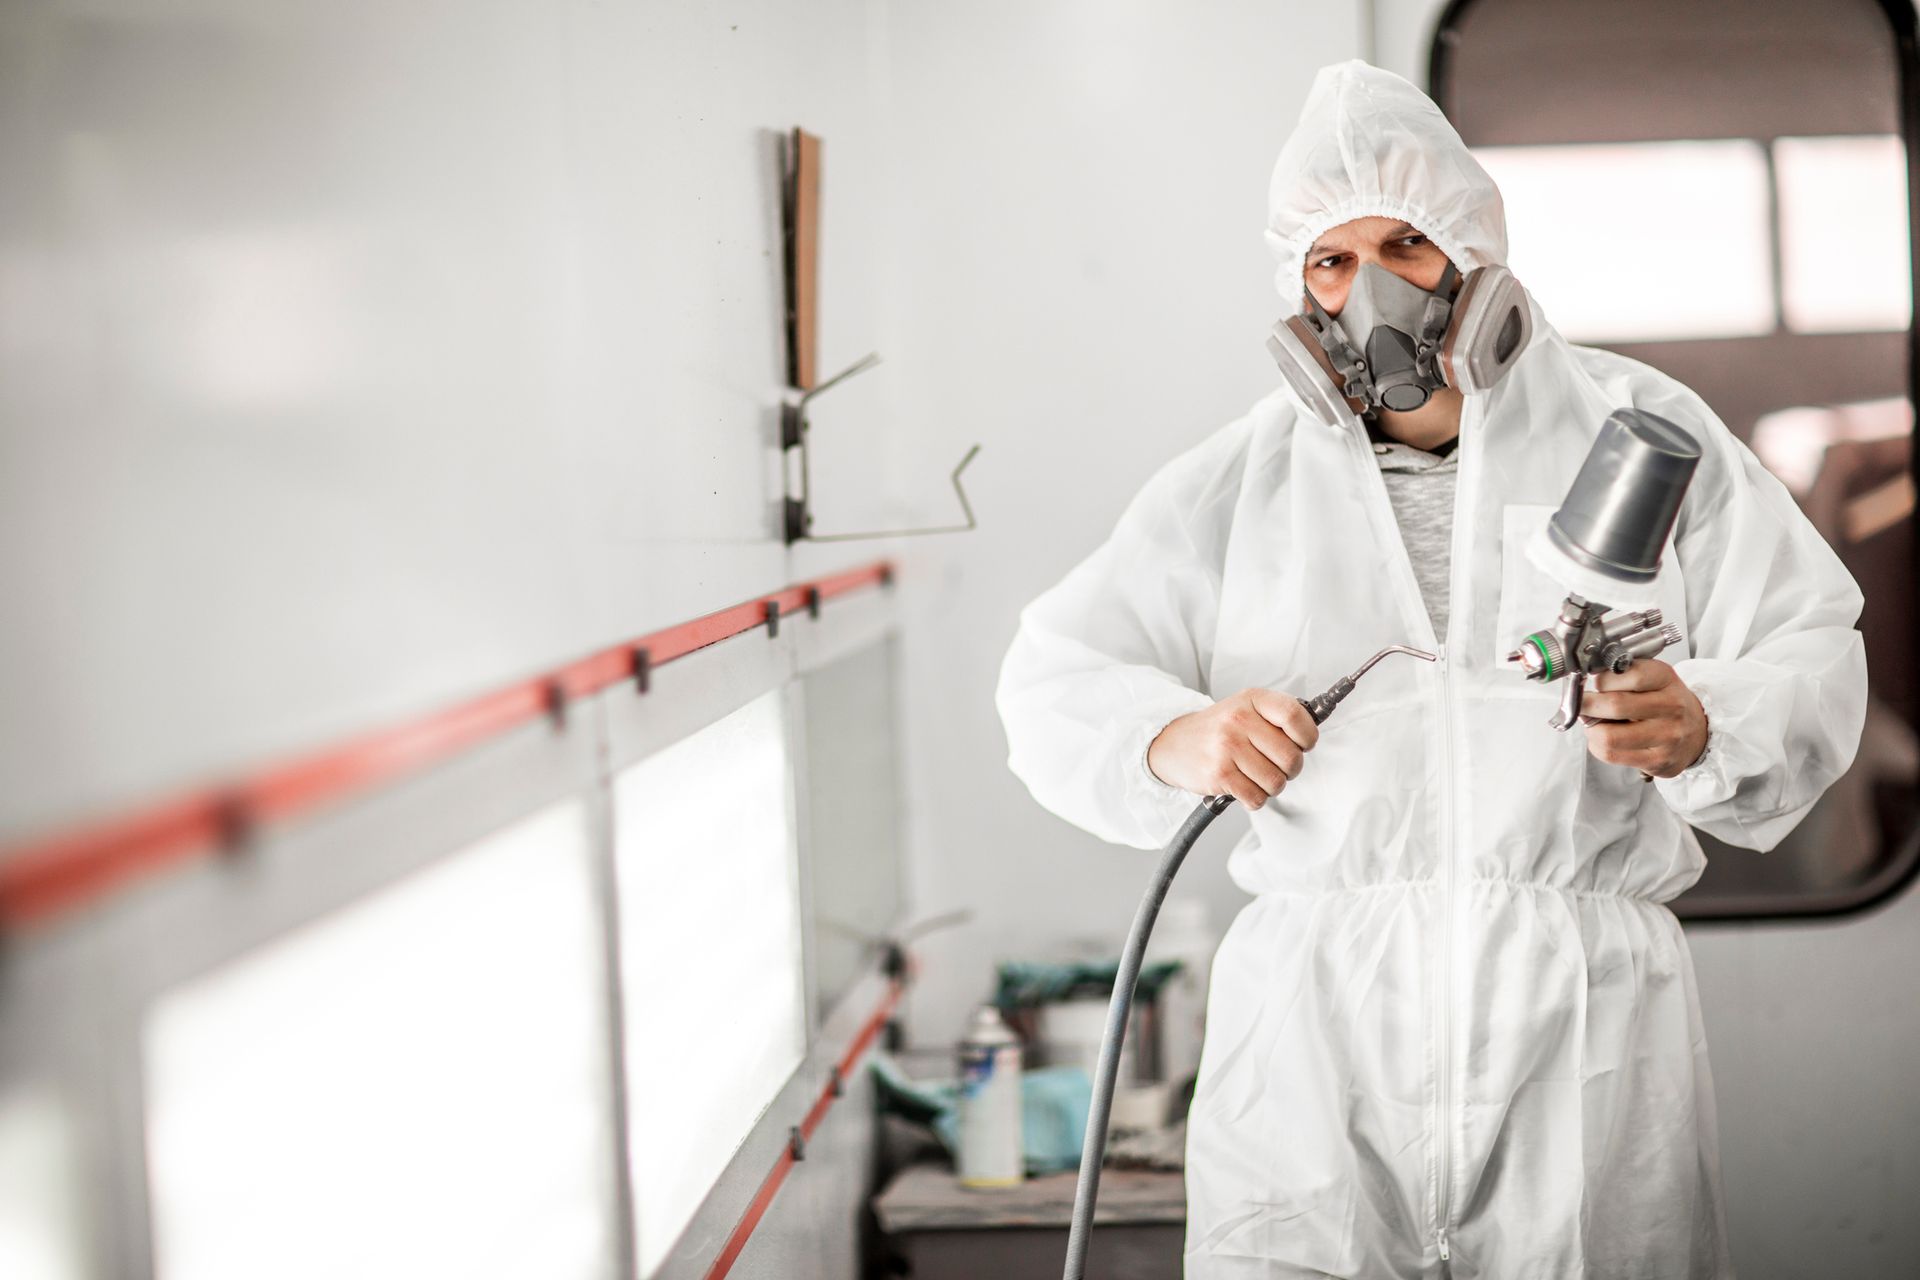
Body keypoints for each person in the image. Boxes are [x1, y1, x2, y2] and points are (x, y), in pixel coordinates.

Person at [995, 60, 1867, 1279]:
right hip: (1315, 1030)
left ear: (1475, 255)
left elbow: (1813, 640)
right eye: (1330, 262)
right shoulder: (1243, 479)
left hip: (1577, 1023)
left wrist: (1706, 723)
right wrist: (1171, 737)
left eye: (1406, 243)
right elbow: (1052, 677)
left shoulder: (1635, 431)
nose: (1371, 292)